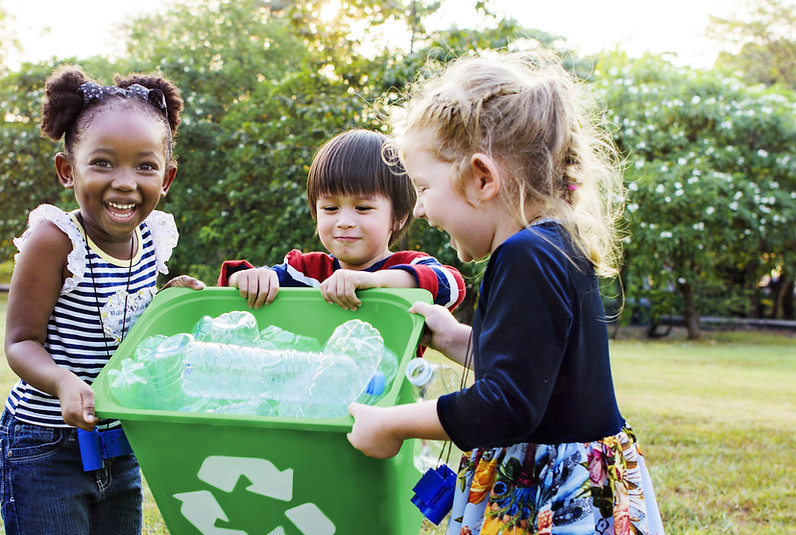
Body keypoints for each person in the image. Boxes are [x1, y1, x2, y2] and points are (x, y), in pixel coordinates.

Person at [347, 52, 664, 535]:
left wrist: (392, 422)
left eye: (424, 188)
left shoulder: (524, 255)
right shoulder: (554, 242)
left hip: (550, 495)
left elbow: (506, 405)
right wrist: (456, 338)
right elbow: (536, 370)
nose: (424, 211)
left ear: (482, 179)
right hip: (578, 478)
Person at [0, 65, 204, 534]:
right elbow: (20, 341)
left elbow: (126, 328)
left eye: (145, 166)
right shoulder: (54, 240)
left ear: (166, 177)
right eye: (103, 162)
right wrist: (63, 382)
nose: (125, 181)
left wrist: (168, 305)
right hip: (45, 448)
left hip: (120, 443)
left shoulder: (153, 237)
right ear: (68, 170)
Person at [218, 128, 466, 313]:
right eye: (330, 208)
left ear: (399, 217)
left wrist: (375, 281)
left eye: (362, 207)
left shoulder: (407, 266)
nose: (344, 221)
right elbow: (232, 283)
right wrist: (247, 279)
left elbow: (453, 285)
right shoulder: (306, 274)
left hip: (393, 384)